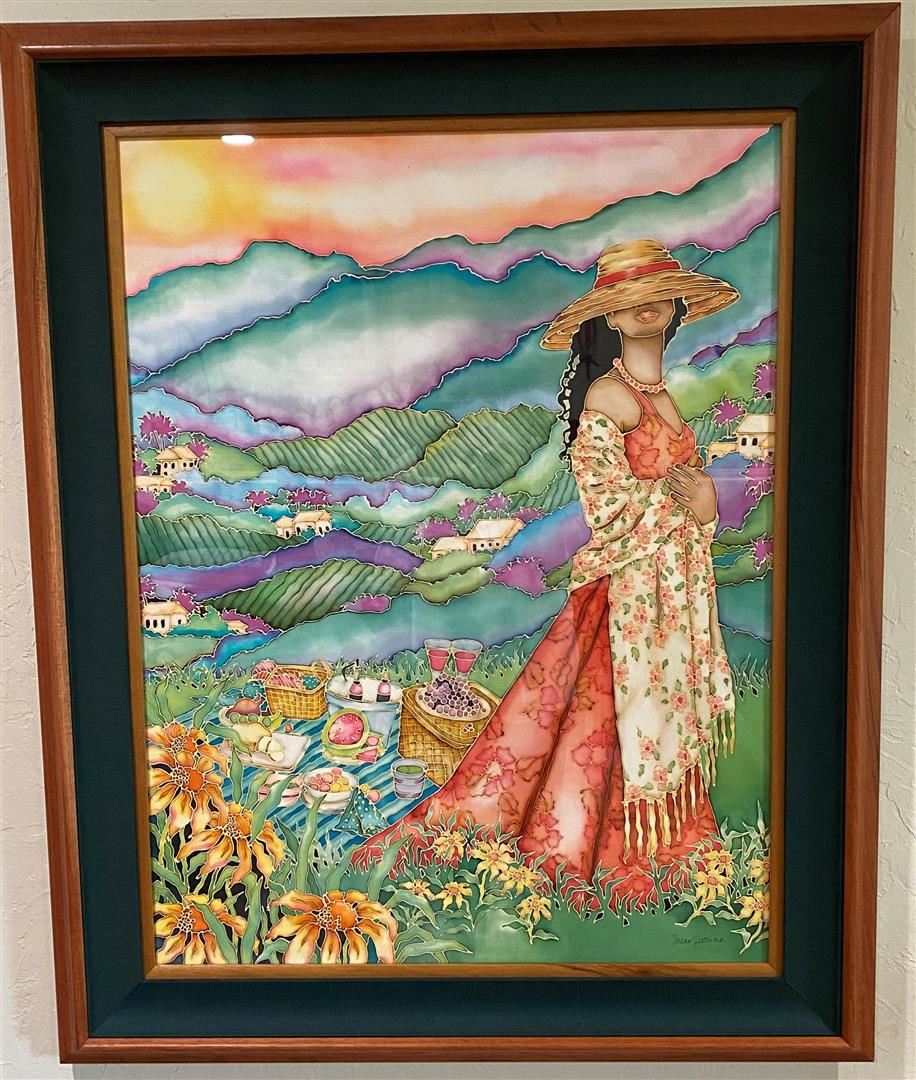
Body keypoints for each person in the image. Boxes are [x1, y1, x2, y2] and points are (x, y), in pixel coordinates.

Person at [358, 239, 741, 903]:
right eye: (630, 301)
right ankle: (586, 857)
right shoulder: (609, 397)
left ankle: (666, 852)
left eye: (658, 298)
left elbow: (690, 491)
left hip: (669, 589)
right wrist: (692, 501)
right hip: (626, 593)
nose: (646, 310)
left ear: (679, 306)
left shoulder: (662, 399)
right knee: (599, 724)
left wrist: (705, 505)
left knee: (655, 712)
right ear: (609, 318)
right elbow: (606, 505)